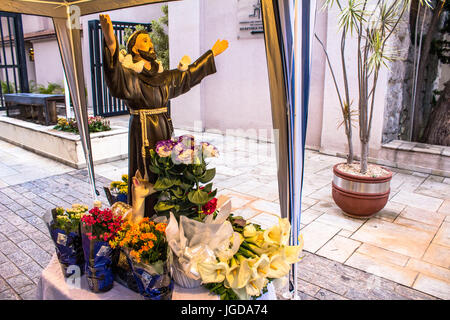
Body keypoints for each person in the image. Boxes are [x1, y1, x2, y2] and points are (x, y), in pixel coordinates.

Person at [99, 14, 228, 218]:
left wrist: (210, 54)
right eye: (144, 41)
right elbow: (114, 76)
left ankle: (168, 212)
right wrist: (111, 42)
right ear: (134, 49)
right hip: (142, 130)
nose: (150, 44)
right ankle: (147, 215)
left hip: (163, 126)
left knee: (168, 169)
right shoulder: (130, 75)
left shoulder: (161, 76)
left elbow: (186, 76)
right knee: (146, 173)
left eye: (150, 41)